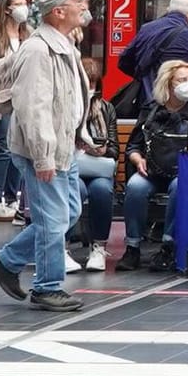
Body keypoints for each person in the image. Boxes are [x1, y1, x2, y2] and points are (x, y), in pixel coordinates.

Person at [0, 0, 91, 312]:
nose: (85, 6)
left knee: (67, 212)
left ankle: (6, 261)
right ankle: (47, 287)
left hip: (63, 146)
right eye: (78, 2)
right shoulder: (39, 50)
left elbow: (69, 99)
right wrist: (43, 156)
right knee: (53, 219)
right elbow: (34, 107)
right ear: (58, 11)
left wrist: (81, 135)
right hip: (43, 149)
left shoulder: (62, 44)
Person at [120, 60, 188, 272]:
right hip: (152, 171)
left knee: (180, 186)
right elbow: (133, 146)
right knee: (135, 187)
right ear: (168, 83)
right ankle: (133, 246)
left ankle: (168, 245)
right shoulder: (151, 110)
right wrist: (138, 160)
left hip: (183, 172)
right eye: (181, 80)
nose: (187, 84)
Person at [117, 0, 188, 118]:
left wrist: (147, 76)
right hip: (182, 107)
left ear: (169, 9)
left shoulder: (146, 29)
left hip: (149, 105)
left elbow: (124, 62)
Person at [0, 0, 29, 221]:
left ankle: (13, 199)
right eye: (18, 4)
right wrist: (8, 79)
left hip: (23, 101)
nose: (24, 7)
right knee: (4, 148)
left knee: (19, 149)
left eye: (25, 3)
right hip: (2, 100)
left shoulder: (28, 35)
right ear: (6, 9)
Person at [75, 59, 117, 273]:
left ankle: (98, 247)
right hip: (74, 166)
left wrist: (102, 149)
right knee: (77, 189)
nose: (90, 88)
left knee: (101, 190)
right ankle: (62, 246)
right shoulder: (69, 107)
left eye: (93, 83)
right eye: (86, 83)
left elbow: (115, 148)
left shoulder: (107, 108)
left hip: (98, 168)